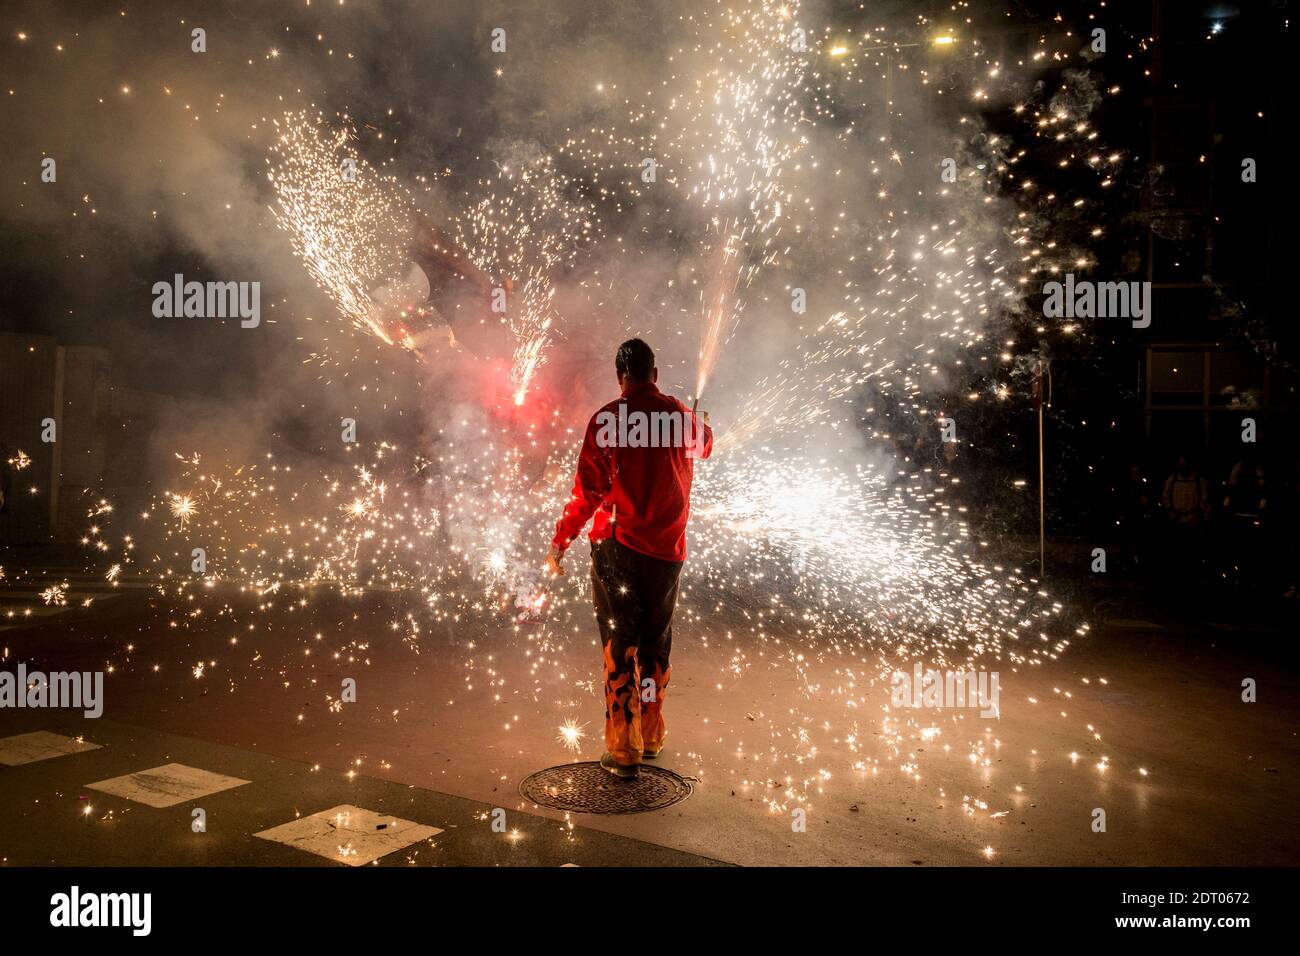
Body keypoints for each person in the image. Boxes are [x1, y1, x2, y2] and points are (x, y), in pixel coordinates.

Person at [546, 339, 713, 779]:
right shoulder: (679, 416)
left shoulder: (607, 420)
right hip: (667, 548)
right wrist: (694, 417)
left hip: (617, 547)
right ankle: (653, 733)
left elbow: (587, 490)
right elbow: (706, 446)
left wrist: (562, 539)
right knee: (656, 641)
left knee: (621, 642)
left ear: (621, 378)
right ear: (654, 374)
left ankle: (624, 747)